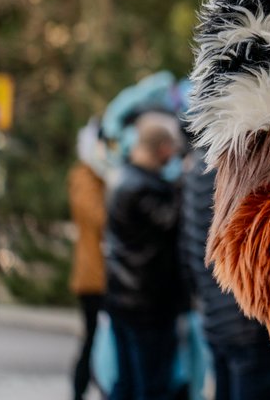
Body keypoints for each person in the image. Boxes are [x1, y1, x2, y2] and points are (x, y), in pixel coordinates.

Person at [182, 143, 270, 400]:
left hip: (216, 316)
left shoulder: (196, 168)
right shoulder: (232, 169)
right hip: (246, 320)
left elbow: (188, 247)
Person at [104, 112, 185, 400]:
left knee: (125, 382)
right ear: (163, 147)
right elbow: (171, 222)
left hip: (120, 299)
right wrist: (184, 184)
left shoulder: (122, 178)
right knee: (152, 386)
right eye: (174, 146)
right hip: (148, 305)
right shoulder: (147, 188)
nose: (176, 153)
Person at [69, 120, 109, 400]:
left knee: (101, 340)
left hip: (105, 275)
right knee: (93, 339)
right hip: (93, 277)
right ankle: (78, 390)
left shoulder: (101, 176)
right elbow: (98, 217)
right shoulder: (84, 176)